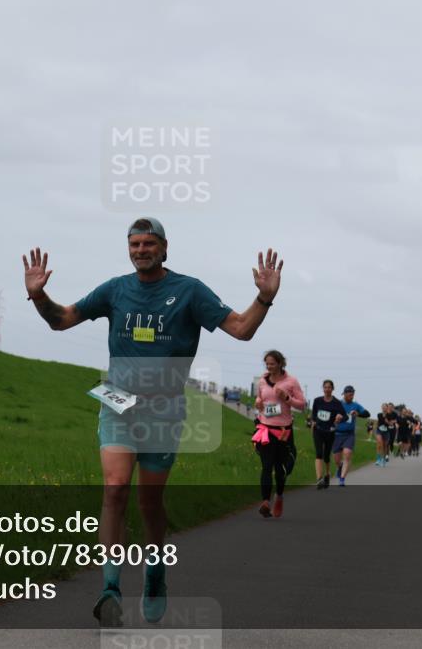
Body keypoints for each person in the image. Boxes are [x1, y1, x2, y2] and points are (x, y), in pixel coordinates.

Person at [23, 217, 283, 627]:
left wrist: (263, 299)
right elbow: (62, 319)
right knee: (114, 489)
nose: (141, 250)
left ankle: (155, 571)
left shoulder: (189, 291)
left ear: (164, 247)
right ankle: (110, 588)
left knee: (149, 501)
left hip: (164, 411)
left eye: (148, 244)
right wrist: (39, 296)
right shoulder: (115, 290)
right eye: (135, 244)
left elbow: (241, 329)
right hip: (118, 404)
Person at [252, 350, 306, 517]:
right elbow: (260, 398)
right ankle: (265, 502)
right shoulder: (262, 381)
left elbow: (302, 405)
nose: (269, 367)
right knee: (266, 466)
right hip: (265, 428)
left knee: (280, 468)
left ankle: (279, 497)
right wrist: (258, 402)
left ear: (281, 363)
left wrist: (287, 398)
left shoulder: (291, 381)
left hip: (283, 431)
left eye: (272, 364)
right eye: (267, 364)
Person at [310, 380, 348, 488]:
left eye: (329, 387)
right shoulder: (317, 400)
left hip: (330, 431)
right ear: (323, 388)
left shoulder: (336, 403)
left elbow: (345, 416)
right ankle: (319, 479)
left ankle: (327, 474)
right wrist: (313, 421)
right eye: (325, 387)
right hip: (318, 430)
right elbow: (314, 413)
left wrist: (339, 418)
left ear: (332, 389)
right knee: (319, 453)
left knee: (326, 456)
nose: (327, 389)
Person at [334, 385, 370, 486]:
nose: (352, 396)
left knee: (347, 454)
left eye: (353, 394)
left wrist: (358, 413)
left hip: (349, 435)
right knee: (337, 459)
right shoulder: (338, 404)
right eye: (350, 394)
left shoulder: (356, 405)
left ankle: (342, 479)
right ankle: (340, 467)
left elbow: (367, 414)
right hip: (337, 434)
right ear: (344, 394)